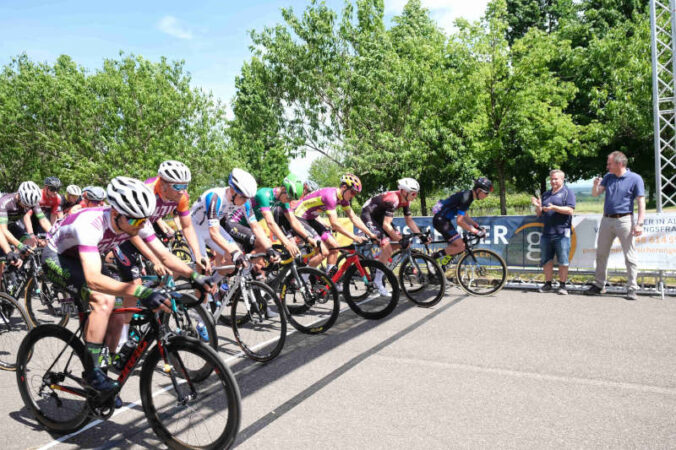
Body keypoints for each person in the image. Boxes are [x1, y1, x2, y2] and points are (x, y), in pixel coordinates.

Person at [43, 176, 215, 398]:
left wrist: (193, 275)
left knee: (118, 312)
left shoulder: (134, 220)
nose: (141, 225)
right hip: (57, 257)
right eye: (136, 221)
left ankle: (102, 369)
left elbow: (163, 254)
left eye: (144, 220)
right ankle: (93, 372)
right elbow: (94, 279)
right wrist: (141, 291)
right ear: (115, 214)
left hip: (86, 257)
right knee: (103, 301)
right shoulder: (90, 224)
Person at [585, 151, 645, 300]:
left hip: (625, 220)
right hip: (606, 220)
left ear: (619, 164)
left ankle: (632, 288)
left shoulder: (635, 178)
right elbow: (595, 194)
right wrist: (595, 186)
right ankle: (599, 285)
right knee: (601, 254)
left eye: (609, 164)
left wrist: (639, 223)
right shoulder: (608, 177)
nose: (607, 166)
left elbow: (641, 201)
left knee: (629, 255)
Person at [293, 174, 376, 277]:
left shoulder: (343, 199)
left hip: (311, 219)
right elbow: (335, 224)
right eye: (353, 192)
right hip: (299, 217)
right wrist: (355, 237)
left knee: (335, 247)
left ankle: (329, 281)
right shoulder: (331, 196)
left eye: (355, 194)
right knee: (324, 251)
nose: (353, 196)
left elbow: (354, 218)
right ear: (344, 187)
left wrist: (371, 234)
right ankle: (303, 279)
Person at [360, 178, 430, 294]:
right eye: (413, 193)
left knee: (400, 244)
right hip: (369, 215)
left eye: (416, 193)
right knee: (387, 246)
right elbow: (386, 226)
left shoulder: (406, 200)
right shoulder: (393, 200)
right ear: (403, 191)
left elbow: (409, 221)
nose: (415, 196)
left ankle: (378, 258)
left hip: (381, 216)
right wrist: (400, 239)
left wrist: (421, 236)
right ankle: (378, 281)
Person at [531, 170, 576, 295]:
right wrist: (537, 205)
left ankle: (562, 286)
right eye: (551, 179)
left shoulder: (568, 193)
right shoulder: (545, 194)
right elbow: (539, 213)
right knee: (546, 260)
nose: (553, 181)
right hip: (546, 233)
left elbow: (570, 210)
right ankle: (548, 284)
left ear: (562, 179)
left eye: (556, 179)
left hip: (562, 233)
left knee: (563, 260)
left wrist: (554, 208)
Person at [431, 177, 493, 264]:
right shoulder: (467, 198)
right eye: (486, 193)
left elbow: (465, 215)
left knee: (459, 246)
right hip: (441, 221)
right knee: (460, 246)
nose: (487, 195)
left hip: (443, 220)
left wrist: (476, 226)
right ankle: (433, 258)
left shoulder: (468, 195)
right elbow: (459, 221)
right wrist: (476, 232)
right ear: (479, 190)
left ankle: (442, 267)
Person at [0, 181, 48, 279]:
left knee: (31, 243)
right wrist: (17, 247)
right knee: (2, 261)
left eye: (29, 206)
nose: (27, 207)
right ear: (19, 195)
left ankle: (16, 266)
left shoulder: (32, 202)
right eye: (25, 204)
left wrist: (54, 235)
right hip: (2, 227)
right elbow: (3, 230)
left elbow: (43, 220)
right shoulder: (5, 202)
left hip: (11, 224)